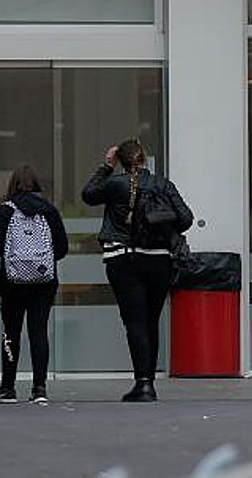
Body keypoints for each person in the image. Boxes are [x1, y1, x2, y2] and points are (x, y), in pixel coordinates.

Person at [82, 138, 192, 403]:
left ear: (122, 161)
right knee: (151, 321)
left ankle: (143, 383)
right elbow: (186, 219)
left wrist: (106, 166)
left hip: (124, 259)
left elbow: (88, 194)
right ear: (144, 158)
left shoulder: (116, 184)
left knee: (135, 321)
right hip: (160, 260)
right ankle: (148, 383)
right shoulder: (162, 184)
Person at [0, 165, 68, 405]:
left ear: (12, 185)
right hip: (44, 283)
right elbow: (62, 249)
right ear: (36, 185)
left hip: (12, 282)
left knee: (10, 332)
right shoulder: (49, 211)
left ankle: (7, 388)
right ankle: (39, 388)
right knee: (38, 331)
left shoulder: (4, 211)